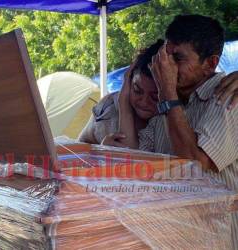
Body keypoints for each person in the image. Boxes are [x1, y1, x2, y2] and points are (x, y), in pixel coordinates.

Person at [110, 14, 237, 249]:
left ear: (210, 64)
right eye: (165, 56)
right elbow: (134, 159)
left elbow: (194, 164)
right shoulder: (169, 107)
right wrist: (124, 101)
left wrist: (167, 91)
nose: (166, 66)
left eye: (177, 58)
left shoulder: (227, 97)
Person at [78, 40, 238, 146]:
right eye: (137, 90)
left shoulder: (175, 118)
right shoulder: (108, 107)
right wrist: (99, 151)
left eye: (155, 96)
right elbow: (80, 146)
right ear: (128, 79)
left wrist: (124, 105)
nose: (143, 101)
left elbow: (134, 162)